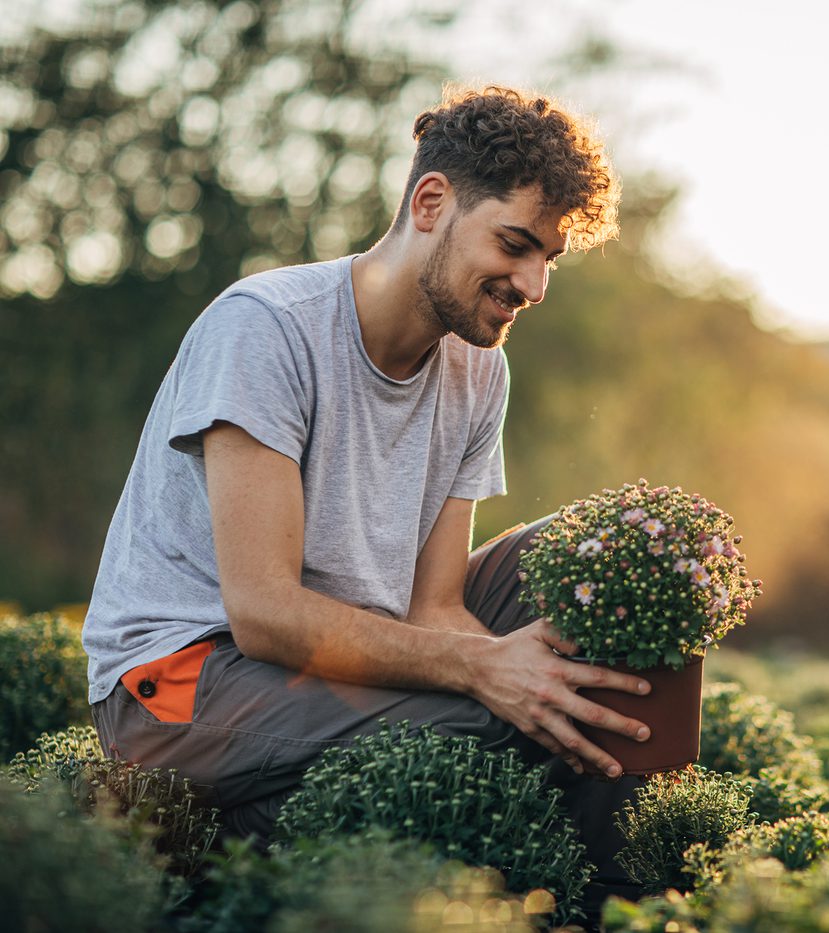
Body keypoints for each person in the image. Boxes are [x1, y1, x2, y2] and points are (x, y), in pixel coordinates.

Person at [81, 85, 650, 861]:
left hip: (348, 651)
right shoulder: (266, 328)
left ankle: (620, 888)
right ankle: (239, 834)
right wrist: (490, 674)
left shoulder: (480, 370)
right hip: (184, 681)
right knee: (503, 722)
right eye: (515, 244)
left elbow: (435, 606)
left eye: (548, 258)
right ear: (430, 201)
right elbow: (266, 613)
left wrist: (521, 672)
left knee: (622, 556)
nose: (533, 285)